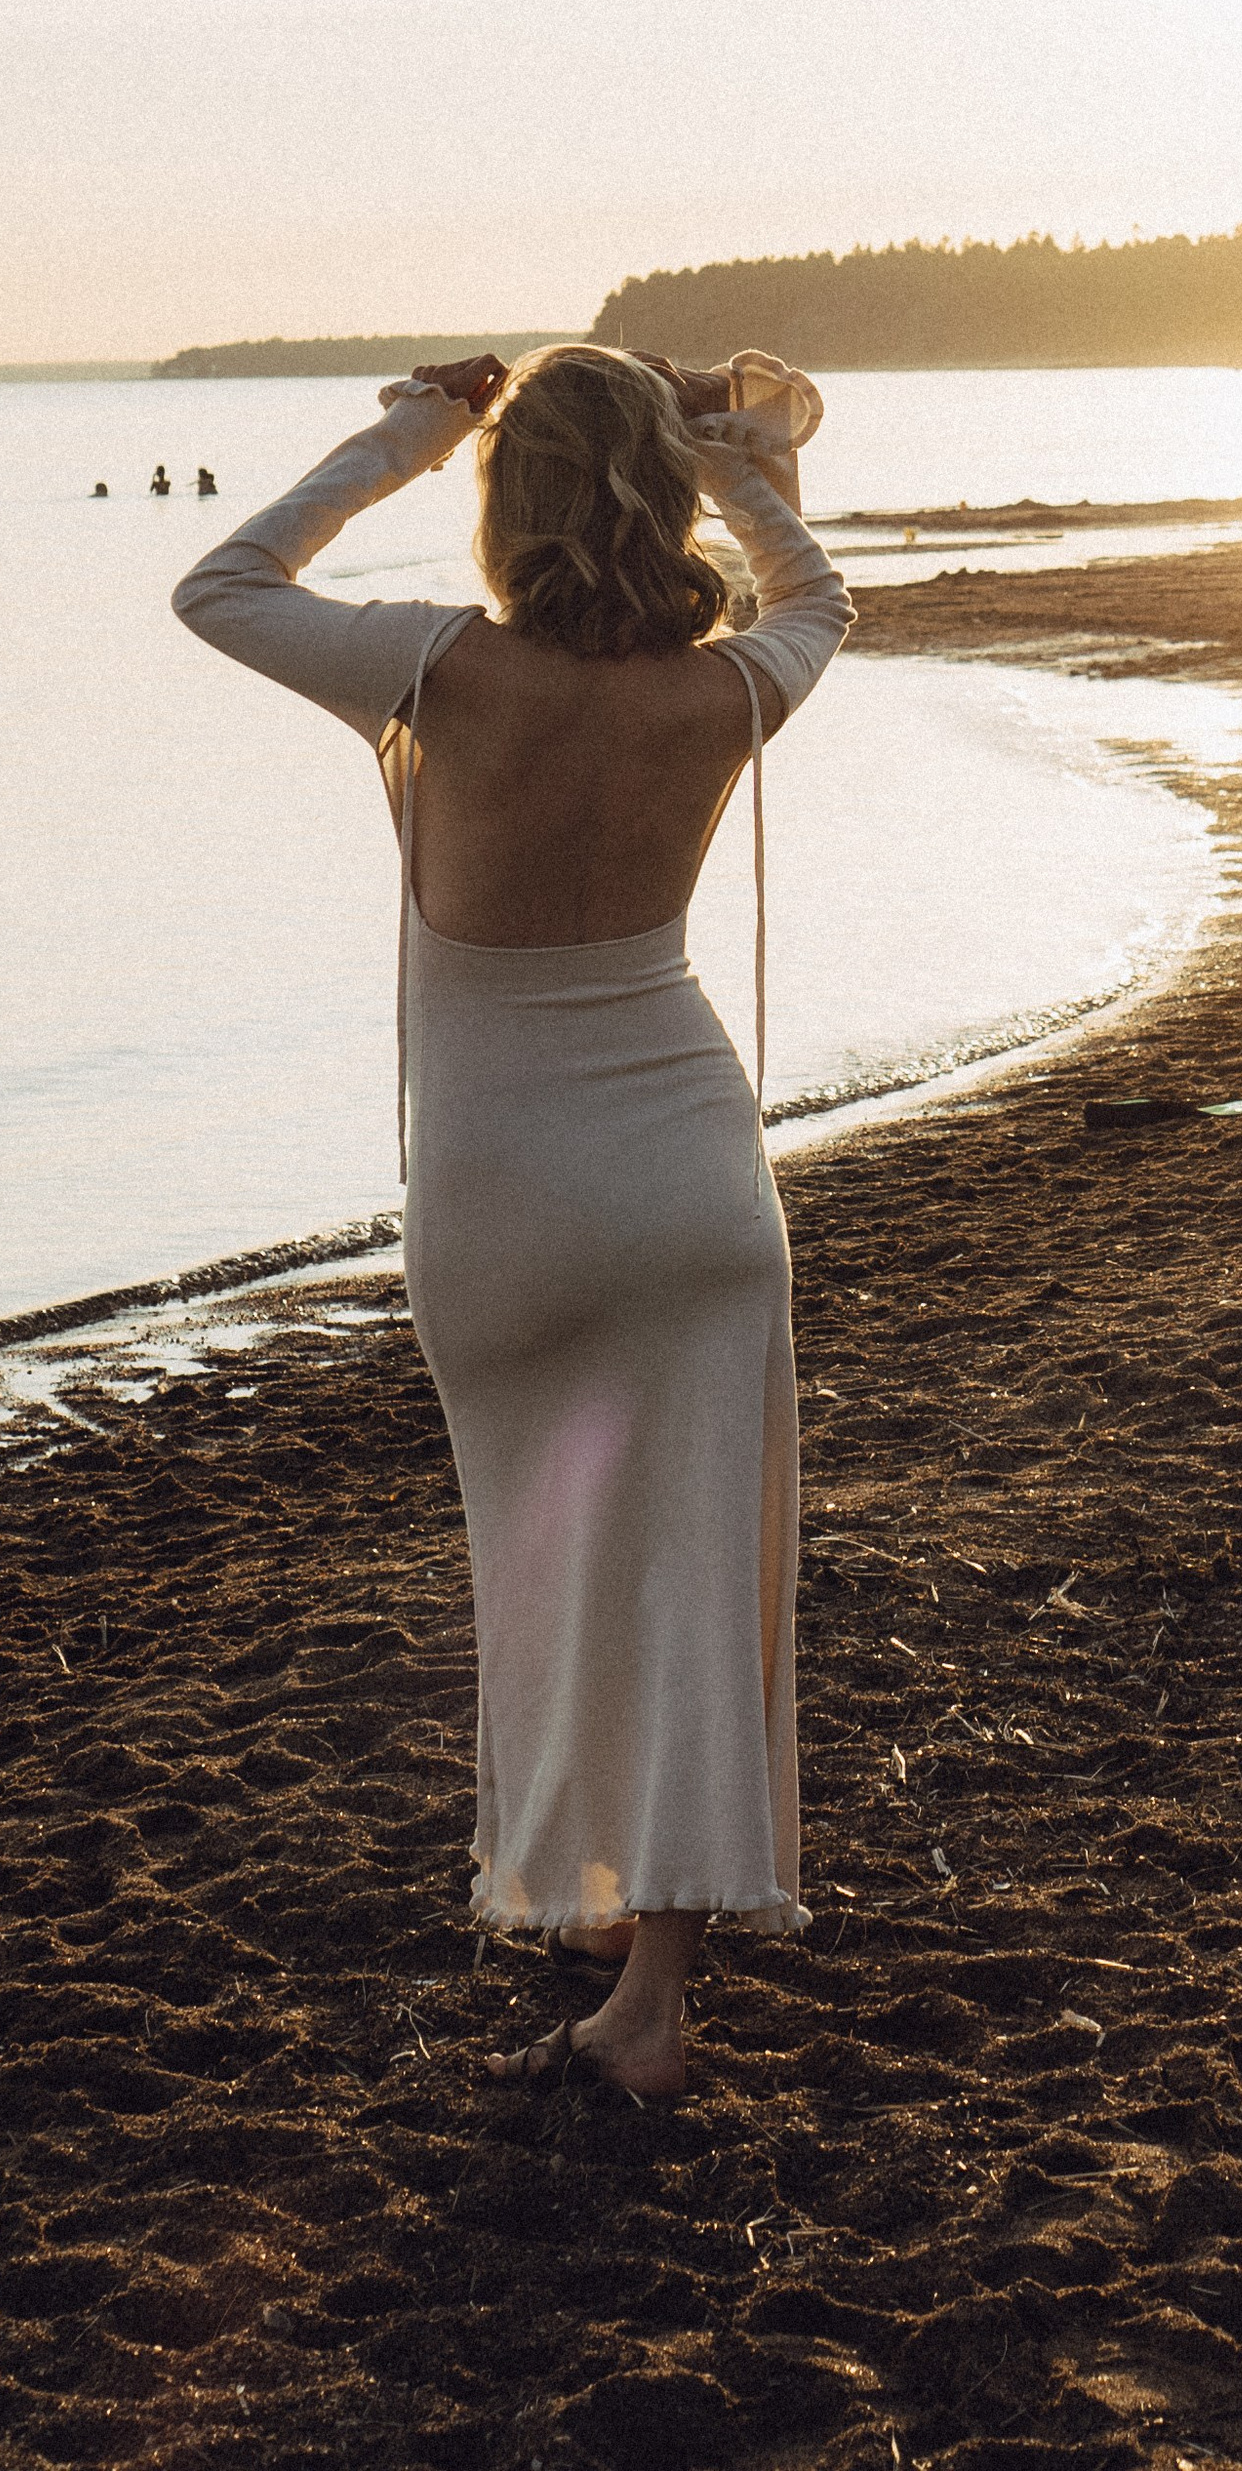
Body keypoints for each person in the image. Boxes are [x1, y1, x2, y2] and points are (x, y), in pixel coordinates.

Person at [172, 341, 852, 2100]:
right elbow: (817, 592)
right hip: (693, 1183)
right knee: (697, 1580)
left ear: (506, 499)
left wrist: (408, 432)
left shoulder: (430, 669)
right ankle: (650, 1965)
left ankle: (615, 1937)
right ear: (658, 499)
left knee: (546, 1562)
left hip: (504, 1196)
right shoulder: (728, 690)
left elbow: (220, 581)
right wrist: (737, 464)